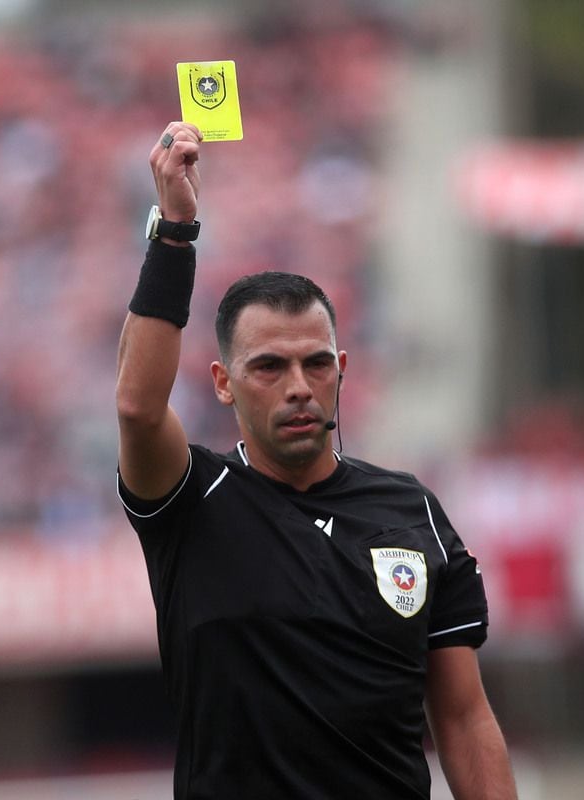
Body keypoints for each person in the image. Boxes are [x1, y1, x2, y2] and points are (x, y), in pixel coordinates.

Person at [116, 121, 517, 799]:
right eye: (269, 366)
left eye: (317, 362)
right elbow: (136, 408)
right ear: (223, 383)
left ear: (342, 369)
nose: (299, 384)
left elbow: (463, 715)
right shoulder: (191, 502)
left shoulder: (410, 510)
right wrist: (176, 231)